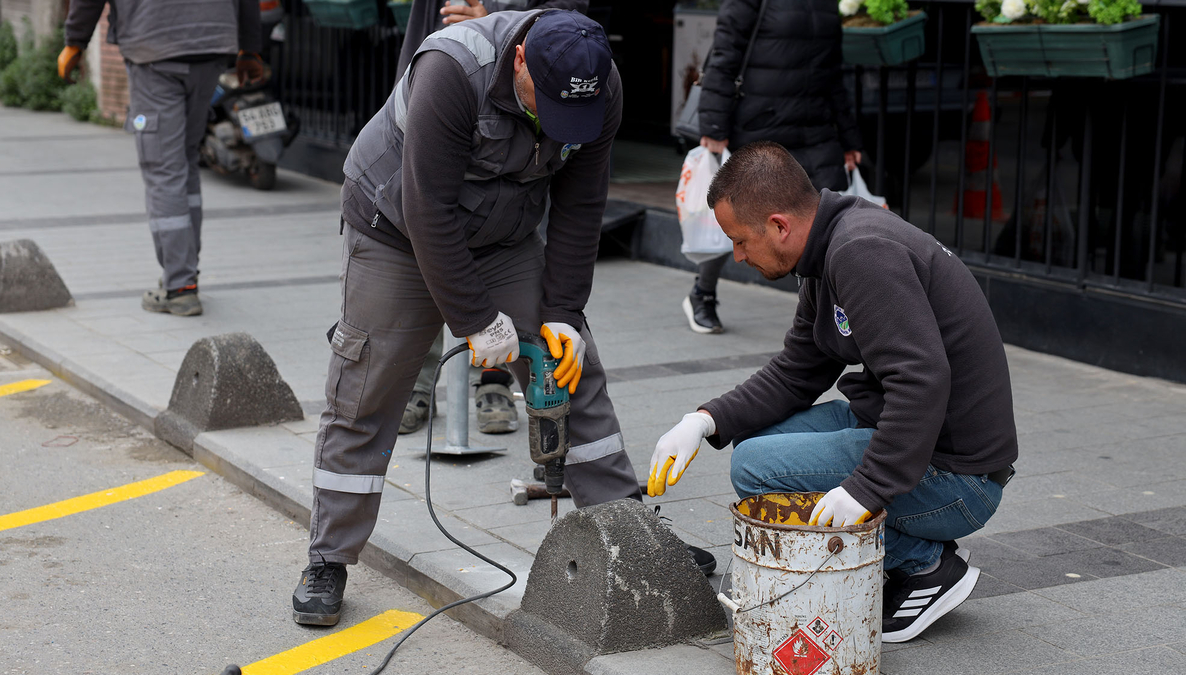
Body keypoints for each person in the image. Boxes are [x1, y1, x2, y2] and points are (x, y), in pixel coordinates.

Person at [294, 9, 715, 627]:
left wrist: (565, 314)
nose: (552, 123)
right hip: (398, 230)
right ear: (521, 60)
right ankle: (328, 558)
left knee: (571, 367)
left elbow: (580, 202)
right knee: (367, 389)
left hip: (503, 234)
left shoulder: (599, 84)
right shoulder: (451, 69)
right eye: (542, 104)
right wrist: (474, 319)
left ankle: (628, 534)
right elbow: (429, 208)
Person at [649, 142, 1018, 642]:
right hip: (910, 433)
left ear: (779, 225)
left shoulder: (860, 251)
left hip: (958, 476)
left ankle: (927, 566)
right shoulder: (829, 250)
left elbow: (922, 380)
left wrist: (865, 489)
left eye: (740, 241)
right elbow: (796, 371)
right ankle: (892, 554)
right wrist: (704, 420)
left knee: (754, 468)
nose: (736, 255)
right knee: (757, 444)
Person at [394, 0, 588, 436]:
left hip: (511, 169)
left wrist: (495, 18)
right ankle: (417, 384)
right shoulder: (447, 68)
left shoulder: (558, 73)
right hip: (449, 101)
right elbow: (419, 38)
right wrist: (417, 102)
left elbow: (573, 20)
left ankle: (495, 385)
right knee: (429, 261)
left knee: (515, 321)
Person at [60, 0, 264, 317]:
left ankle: (180, 286)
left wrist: (75, 41)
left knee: (163, 169)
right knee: (184, 160)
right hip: (211, 47)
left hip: (154, 47)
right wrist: (250, 49)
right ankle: (183, 272)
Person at [686, 0, 862, 334]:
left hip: (814, 127)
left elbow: (834, 73)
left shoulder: (826, 5)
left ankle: (826, 311)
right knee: (741, 217)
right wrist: (713, 126)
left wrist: (849, 138)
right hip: (761, 122)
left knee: (826, 221)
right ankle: (703, 292)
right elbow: (724, 54)